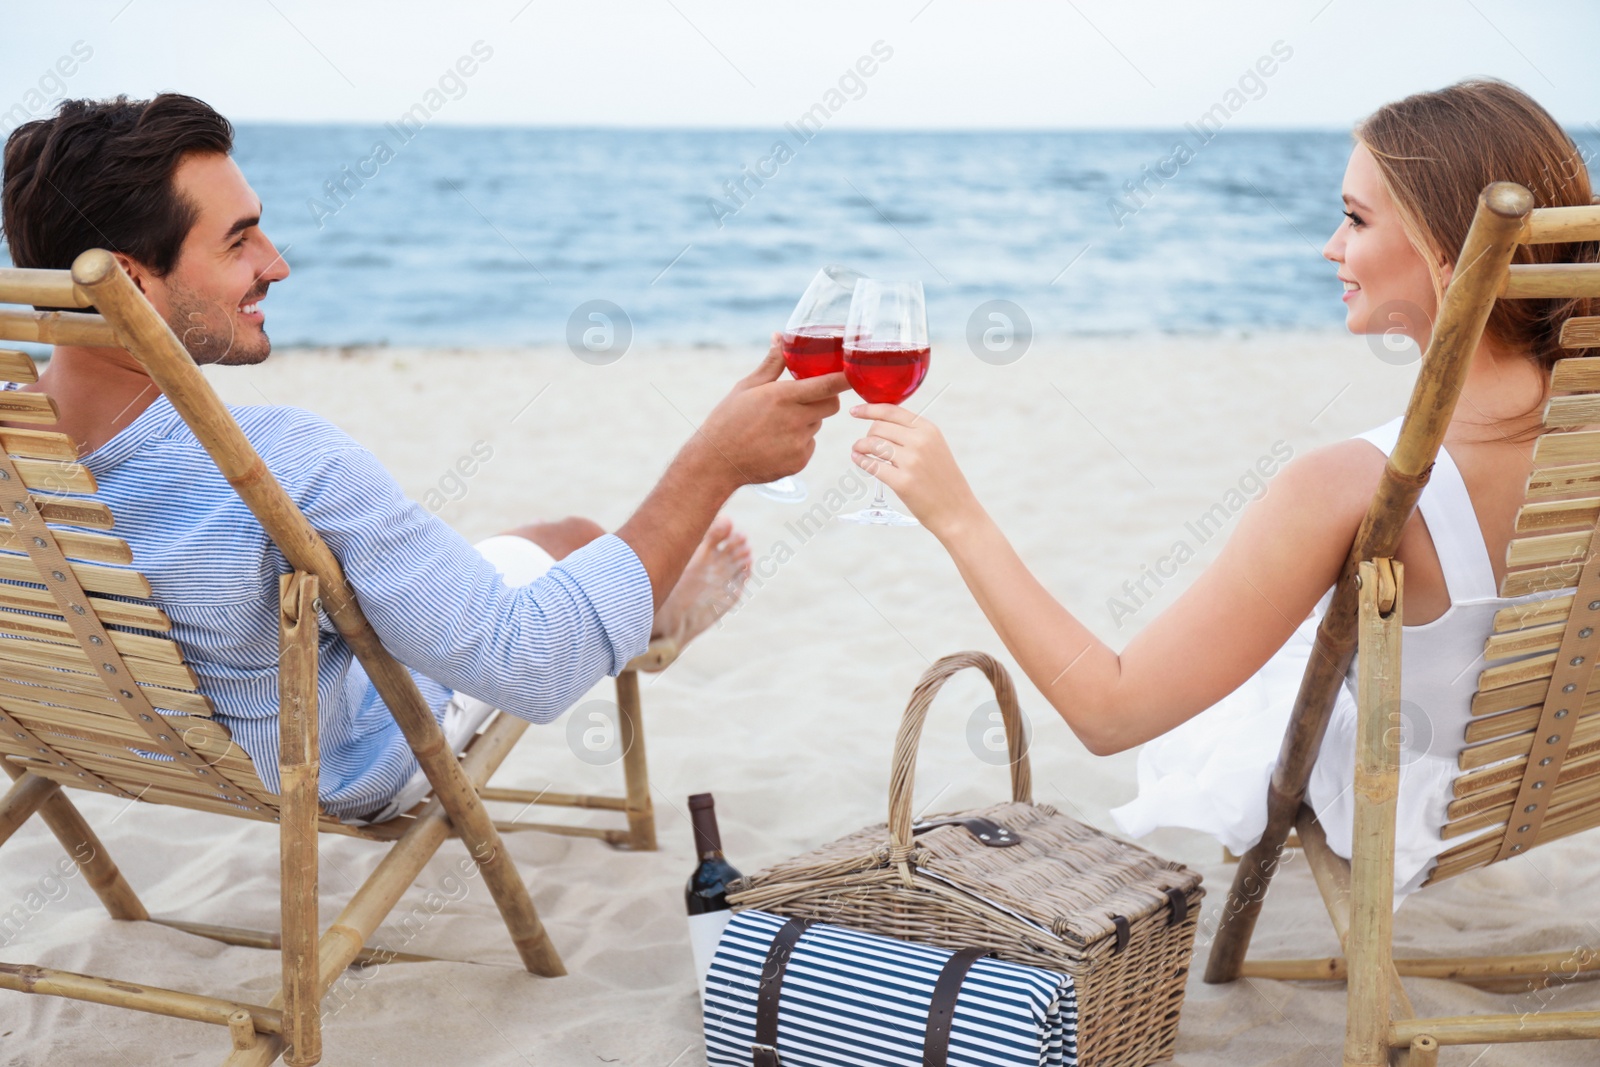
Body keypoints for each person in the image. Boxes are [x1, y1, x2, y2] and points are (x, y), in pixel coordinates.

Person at [0, 93, 849, 822]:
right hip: (338, 763)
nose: (277, 264)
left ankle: (656, 604)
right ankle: (658, 614)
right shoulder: (277, 466)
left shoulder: (15, 456)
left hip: (117, 741)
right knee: (564, 538)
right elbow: (533, 666)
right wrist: (713, 463)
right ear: (133, 284)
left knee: (522, 546)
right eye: (239, 242)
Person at [847, 78, 1598, 895]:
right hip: (1567, 779)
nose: (1330, 247)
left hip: (1430, 808)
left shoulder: (1352, 485)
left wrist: (957, 515)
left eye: (1354, 218)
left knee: (1242, 696)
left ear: (1446, 253)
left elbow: (1111, 710)